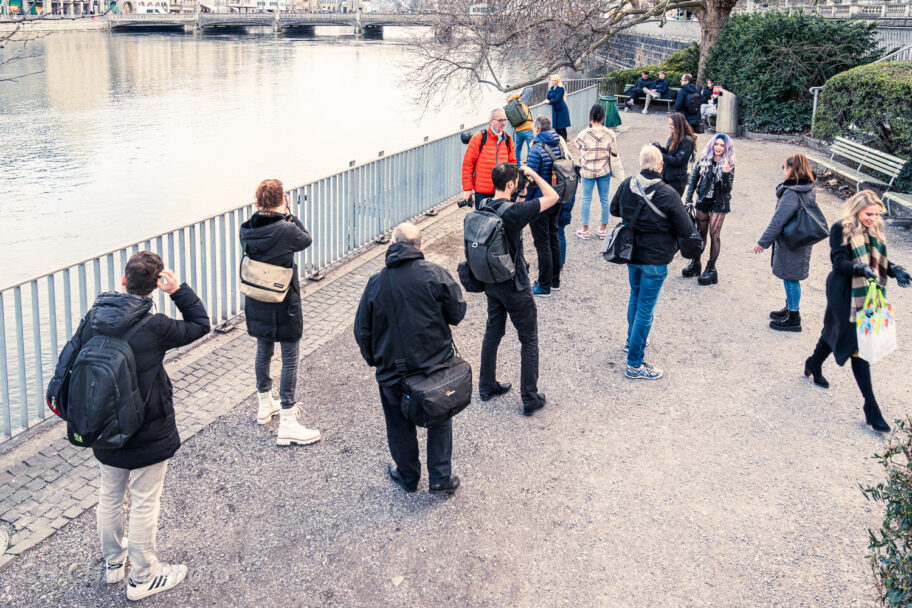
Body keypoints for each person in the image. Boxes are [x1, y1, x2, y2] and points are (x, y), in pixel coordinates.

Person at [54, 251, 210, 600]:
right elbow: (201, 324)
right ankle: (143, 576)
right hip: (146, 428)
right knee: (143, 501)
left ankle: (113, 564)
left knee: (109, 494)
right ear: (156, 284)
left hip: (102, 424)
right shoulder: (155, 327)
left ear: (123, 281)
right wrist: (178, 290)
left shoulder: (95, 317)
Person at [354, 223, 466, 494]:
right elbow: (457, 313)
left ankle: (407, 476)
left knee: (398, 424)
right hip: (434, 368)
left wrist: (376, 361)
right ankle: (440, 477)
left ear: (392, 245)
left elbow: (362, 331)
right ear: (419, 246)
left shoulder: (376, 283)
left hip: (393, 372)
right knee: (440, 416)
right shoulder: (435, 274)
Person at [803, 191, 911, 432]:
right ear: (856, 210)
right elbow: (839, 262)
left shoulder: (874, 230)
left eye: (877, 214)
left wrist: (898, 270)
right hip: (844, 293)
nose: (873, 218)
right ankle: (871, 408)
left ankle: (813, 362)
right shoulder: (841, 228)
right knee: (856, 347)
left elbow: (882, 262)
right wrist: (860, 268)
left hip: (867, 295)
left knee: (833, 333)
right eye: (868, 214)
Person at [240, 179, 321, 446]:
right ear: (282, 199)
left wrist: (274, 210)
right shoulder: (286, 230)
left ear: (257, 202)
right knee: (289, 358)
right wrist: (289, 213)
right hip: (283, 300)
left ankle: (265, 404)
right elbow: (306, 239)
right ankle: (287, 420)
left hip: (257, 299)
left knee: (263, 350)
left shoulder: (247, 229)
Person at [479, 162, 560, 415]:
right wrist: (534, 174)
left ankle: (487, 385)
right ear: (512, 185)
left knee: (493, 332)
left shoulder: (484, 207)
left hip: (492, 282)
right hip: (515, 285)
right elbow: (553, 196)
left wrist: (521, 189)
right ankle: (529, 397)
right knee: (528, 339)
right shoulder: (514, 212)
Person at [610, 145, 694, 381]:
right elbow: (686, 229)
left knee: (635, 297)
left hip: (631, 254)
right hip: (655, 259)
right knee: (646, 307)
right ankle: (635, 364)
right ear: (660, 165)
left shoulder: (628, 184)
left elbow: (613, 209)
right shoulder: (668, 193)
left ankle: (631, 341)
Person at [753, 153, 824, 331]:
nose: (783, 171)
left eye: (784, 167)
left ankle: (794, 317)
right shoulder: (807, 187)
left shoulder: (792, 193)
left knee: (791, 278)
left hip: (792, 241)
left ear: (791, 169)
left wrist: (762, 242)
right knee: (789, 275)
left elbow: (778, 220)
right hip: (799, 239)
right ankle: (789, 308)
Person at [683, 133, 735, 285]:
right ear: (712, 145)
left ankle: (711, 269)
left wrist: (725, 173)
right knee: (700, 234)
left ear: (726, 148)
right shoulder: (704, 159)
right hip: (703, 201)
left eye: (722, 145)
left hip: (719, 203)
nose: (718, 147)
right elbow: (693, 179)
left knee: (714, 235)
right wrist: (688, 199)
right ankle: (695, 264)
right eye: (717, 144)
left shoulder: (729, 163)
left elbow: (727, 190)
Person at [526, 115, 569, 296]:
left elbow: (531, 177)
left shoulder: (536, 149)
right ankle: (555, 280)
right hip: (556, 196)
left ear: (536, 129)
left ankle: (543, 285)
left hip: (540, 199)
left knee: (542, 242)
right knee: (553, 237)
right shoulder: (558, 143)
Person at [575, 103, 618, 240]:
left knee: (586, 199)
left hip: (587, 170)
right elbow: (615, 151)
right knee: (604, 199)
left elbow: (578, 146)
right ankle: (603, 230)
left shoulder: (583, 134)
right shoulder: (610, 133)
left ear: (590, 117)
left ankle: (585, 230)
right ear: (603, 116)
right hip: (603, 170)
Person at [461, 108, 517, 209]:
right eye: (500, 120)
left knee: (501, 222)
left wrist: (514, 184)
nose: (504, 123)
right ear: (491, 121)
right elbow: (468, 164)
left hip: (502, 191)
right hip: (482, 193)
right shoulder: (479, 138)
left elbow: (512, 164)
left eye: (505, 120)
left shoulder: (508, 139)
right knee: (483, 223)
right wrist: (468, 189)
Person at [652, 113, 696, 196]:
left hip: (676, 180)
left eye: (672, 124)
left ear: (679, 125)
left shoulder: (687, 141)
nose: (670, 126)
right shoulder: (673, 136)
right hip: (666, 177)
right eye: (669, 124)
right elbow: (669, 152)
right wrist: (658, 148)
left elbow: (677, 161)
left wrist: (660, 154)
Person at [506, 92, 535, 165]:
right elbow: (529, 89)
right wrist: (517, 95)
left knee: (517, 149)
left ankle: (517, 165)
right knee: (531, 147)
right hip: (528, 129)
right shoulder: (521, 100)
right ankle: (530, 164)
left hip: (518, 131)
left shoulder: (508, 108)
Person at [546, 74, 571, 140]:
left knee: (563, 128)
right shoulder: (551, 89)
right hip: (555, 110)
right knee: (557, 128)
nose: (553, 82)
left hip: (562, 110)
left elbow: (557, 99)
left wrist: (549, 101)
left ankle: (564, 142)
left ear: (558, 81)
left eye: (555, 81)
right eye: (552, 80)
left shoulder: (561, 89)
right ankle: (560, 142)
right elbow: (547, 98)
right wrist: (548, 101)